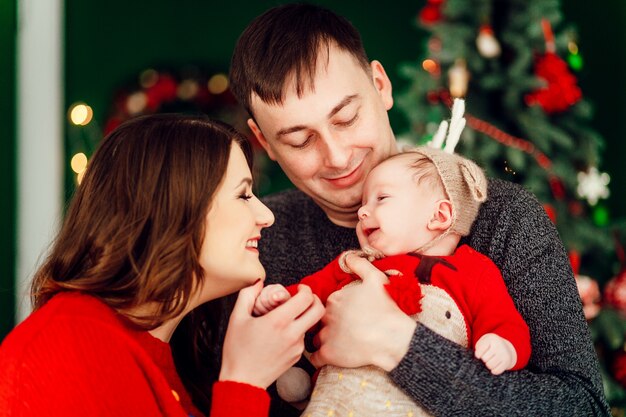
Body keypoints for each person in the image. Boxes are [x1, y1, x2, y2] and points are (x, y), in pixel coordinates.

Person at [229, 3, 610, 416]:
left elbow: (584, 407)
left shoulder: (503, 218)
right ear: (264, 142)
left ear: (381, 85)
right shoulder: (255, 239)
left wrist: (398, 344)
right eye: (300, 140)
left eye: (347, 117)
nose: (337, 156)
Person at [0, 114, 324, 417]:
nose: (266, 217)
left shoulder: (166, 361)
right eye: (242, 195)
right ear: (175, 207)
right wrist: (244, 383)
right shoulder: (64, 350)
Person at [254, 147, 532, 415]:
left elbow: (505, 323)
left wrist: (504, 347)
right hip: (334, 402)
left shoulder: (473, 270)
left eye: (381, 198)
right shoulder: (356, 264)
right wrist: (281, 300)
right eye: (364, 203)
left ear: (439, 215)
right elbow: (308, 295)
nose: (362, 212)